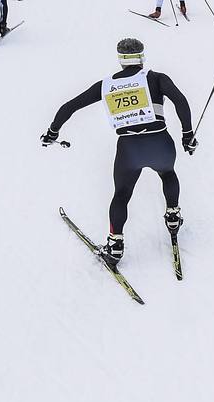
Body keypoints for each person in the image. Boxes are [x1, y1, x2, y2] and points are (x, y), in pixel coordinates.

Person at [40, 38, 195, 265]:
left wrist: (52, 132)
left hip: (129, 149)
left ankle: (115, 245)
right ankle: (173, 216)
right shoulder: (156, 78)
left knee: (122, 193)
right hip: (159, 142)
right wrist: (187, 134)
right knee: (168, 174)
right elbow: (180, 100)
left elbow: (70, 106)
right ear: (142, 57)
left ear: (121, 60)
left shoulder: (106, 85)